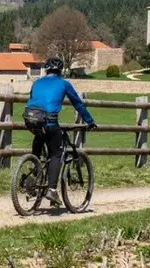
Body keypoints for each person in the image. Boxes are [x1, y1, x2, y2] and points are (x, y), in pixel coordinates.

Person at [24, 56, 96, 202]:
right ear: (60, 70)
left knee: (38, 142)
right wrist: (90, 121)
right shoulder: (64, 84)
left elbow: (33, 99)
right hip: (49, 122)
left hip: (31, 120)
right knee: (56, 154)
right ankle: (51, 190)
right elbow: (78, 104)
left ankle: (32, 177)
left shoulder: (37, 82)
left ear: (46, 70)